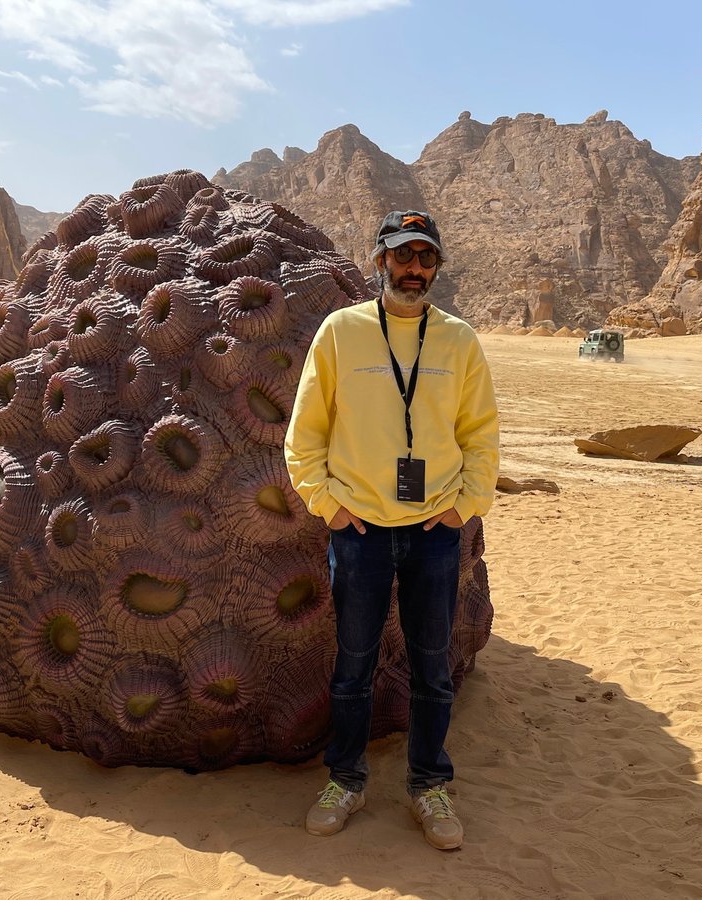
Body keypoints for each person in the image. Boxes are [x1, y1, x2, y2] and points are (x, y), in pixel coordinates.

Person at [284, 210, 500, 850]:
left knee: (432, 666)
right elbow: (305, 433)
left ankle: (429, 785)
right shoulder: (341, 332)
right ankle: (345, 780)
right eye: (403, 255)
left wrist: (464, 506)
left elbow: (480, 435)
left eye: (426, 258)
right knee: (354, 664)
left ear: (436, 268)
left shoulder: (458, 340)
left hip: (435, 531)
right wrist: (329, 507)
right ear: (379, 260)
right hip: (359, 531)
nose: (414, 269)